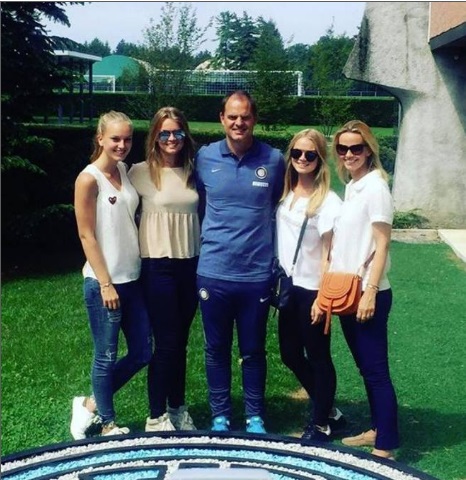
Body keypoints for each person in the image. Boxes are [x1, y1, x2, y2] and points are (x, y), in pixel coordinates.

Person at [195, 90, 285, 433]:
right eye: (232, 116)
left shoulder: (273, 159)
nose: (238, 123)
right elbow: (199, 203)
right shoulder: (205, 157)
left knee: (253, 350)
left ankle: (254, 416)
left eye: (245, 116)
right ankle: (220, 415)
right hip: (214, 272)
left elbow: (280, 205)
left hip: (255, 275)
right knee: (216, 349)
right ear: (222, 119)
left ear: (254, 119)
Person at [71, 110, 152, 439]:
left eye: (127, 139)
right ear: (100, 138)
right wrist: (105, 283)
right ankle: (107, 424)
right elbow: (86, 234)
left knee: (142, 352)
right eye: (115, 138)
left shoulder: (124, 170)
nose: (122, 145)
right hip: (104, 283)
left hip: (132, 278)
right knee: (105, 355)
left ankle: (89, 404)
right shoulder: (88, 179)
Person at [329, 120, 399, 460]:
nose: (349, 154)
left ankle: (386, 446)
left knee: (375, 370)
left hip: (369, 293)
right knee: (365, 368)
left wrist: (370, 290)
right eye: (342, 148)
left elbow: (382, 243)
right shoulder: (354, 185)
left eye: (356, 148)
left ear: (369, 150)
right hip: (349, 291)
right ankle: (377, 429)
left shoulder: (375, 187)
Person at [128, 107, 199, 432]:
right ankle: (156, 416)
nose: (172, 139)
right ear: (155, 137)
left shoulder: (194, 172)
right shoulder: (139, 172)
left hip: (191, 264)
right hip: (158, 266)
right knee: (167, 342)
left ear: (185, 135)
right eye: (165, 133)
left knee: (180, 343)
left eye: (177, 132)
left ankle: (177, 409)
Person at [275, 128, 345, 442]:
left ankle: (320, 424)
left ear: (320, 159)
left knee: (318, 356)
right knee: (289, 354)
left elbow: (330, 253)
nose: (302, 159)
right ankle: (329, 410)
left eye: (310, 154)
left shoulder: (328, 201)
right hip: (289, 286)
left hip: (313, 289)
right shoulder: (286, 192)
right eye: (297, 153)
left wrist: (323, 298)